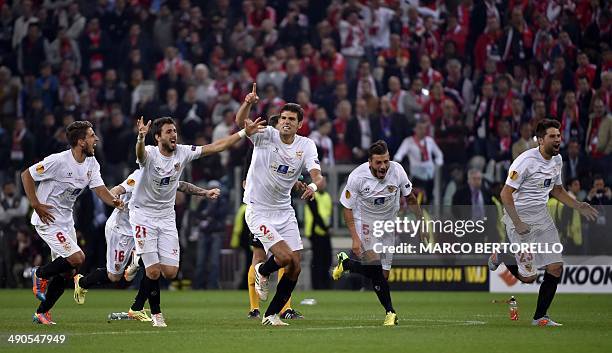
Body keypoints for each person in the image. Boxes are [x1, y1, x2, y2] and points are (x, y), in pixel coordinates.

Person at [128, 114, 264, 327]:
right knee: (153, 271)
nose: (174, 135)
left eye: (174, 130)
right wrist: (140, 138)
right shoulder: (150, 153)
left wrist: (244, 133)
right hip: (142, 214)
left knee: (170, 272)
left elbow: (216, 146)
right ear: (157, 137)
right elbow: (140, 154)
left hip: (165, 216)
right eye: (169, 132)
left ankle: (140, 258)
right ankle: (156, 314)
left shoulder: (182, 152)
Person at [488, 119, 598, 326]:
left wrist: (578, 205)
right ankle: (502, 254)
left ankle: (540, 317)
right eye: (552, 137)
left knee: (555, 267)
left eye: (558, 136)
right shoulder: (525, 162)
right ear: (540, 140)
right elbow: (505, 193)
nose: (558, 140)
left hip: (542, 218)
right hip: (518, 217)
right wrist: (518, 223)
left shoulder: (557, 161)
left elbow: (557, 190)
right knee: (528, 277)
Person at [72, 169, 219, 321]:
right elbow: (118, 189)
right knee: (114, 276)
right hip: (122, 229)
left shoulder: (164, 177)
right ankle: (82, 281)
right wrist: (114, 198)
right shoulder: (138, 176)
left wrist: (204, 192)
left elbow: (181, 185)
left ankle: (137, 306)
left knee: (153, 267)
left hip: (144, 227)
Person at [236, 83, 325, 326]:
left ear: (300, 124)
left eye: (291, 119)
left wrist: (312, 186)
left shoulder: (305, 145)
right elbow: (240, 122)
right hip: (258, 210)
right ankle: (262, 272)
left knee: (295, 265)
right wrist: (247, 104)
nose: (286, 122)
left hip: (284, 210)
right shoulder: (265, 135)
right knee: (285, 258)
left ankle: (271, 314)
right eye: (283, 117)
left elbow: (318, 175)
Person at [21, 121, 123, 325]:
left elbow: (100, 189)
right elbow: (27, 175)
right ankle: (38, 273)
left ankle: (42, 313)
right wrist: (36, 204)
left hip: (66, 221)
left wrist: (115, 202)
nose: (96, 139)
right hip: (47, 219)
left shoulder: (92, 164)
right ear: (81, 141)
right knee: (77, 257)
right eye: (92, 136)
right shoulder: (58, 161)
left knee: (68, 271)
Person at [332, 140, 424, 326]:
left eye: (386, 162)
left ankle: (348, 264)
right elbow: (347, 208)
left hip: (388, 224)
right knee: (374, 265)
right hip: (365, 223)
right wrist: (355, 238)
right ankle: (390, 312)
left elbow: (411, 198)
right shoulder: (357, 177)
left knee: (383, 275)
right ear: (369, 162)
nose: (383, 167)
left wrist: (421, 225)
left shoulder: (397, 171)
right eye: (378, 163)